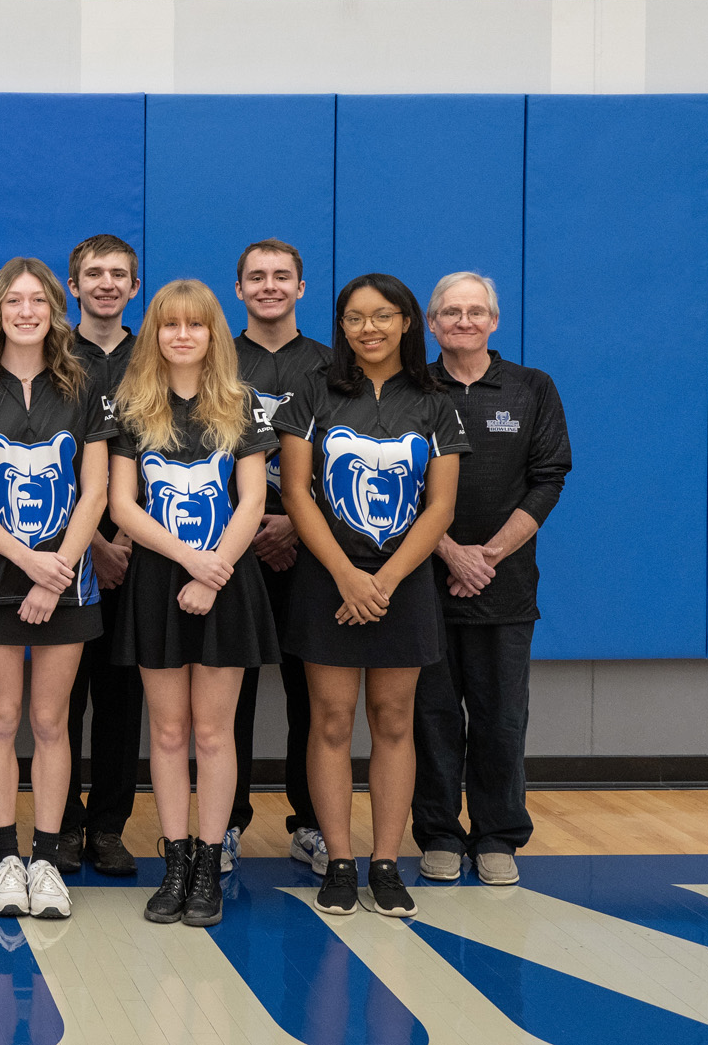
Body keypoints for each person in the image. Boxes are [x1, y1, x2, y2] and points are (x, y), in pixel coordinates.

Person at [274, 273, 468, 920]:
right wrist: (348, 576)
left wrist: (383, 580)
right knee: (329, 723)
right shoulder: (313, 392)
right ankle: (338, 859)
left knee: (393, 722)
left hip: (402, 587)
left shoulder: (435, 401)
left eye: (382, 316)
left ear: (407, 322)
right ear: (342, 326)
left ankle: (384, 862)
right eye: (355, 318)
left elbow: (440, 506)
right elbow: (297, 493)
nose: (369, 328)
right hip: (328, 583)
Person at [0, 259, 113, 921]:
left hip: (70, 582)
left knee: (51, 721)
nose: (27, 310)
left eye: (39, 300)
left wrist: (58, 567)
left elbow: (95, 490)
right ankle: (6, 858)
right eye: (15, 300)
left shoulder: (84, 388)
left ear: (55, 312)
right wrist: (24, 561)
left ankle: (45, 859)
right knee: (1, 719)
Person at [107, 280, 279, 927]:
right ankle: (174, 860)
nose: (183, 335)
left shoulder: (243, 405)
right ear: (155, 333)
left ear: (214, 334)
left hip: (227, 581)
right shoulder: (130, 407)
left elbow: (254, 501)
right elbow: (123, 505)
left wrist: (214, 573)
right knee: (170, 732)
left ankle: (210, 861)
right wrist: (188, 562)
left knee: (213, 732)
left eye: (196, 325)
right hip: (160, 580)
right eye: (171, 324)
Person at [416, 272, 570, 888]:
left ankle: (498, 834)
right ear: (431, 324)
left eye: (475, 311)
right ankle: (439, 833)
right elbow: (402, 484)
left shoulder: (532, 388)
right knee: (431, 717)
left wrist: (490, 556)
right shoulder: (413, 389)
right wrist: (451, 553)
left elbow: (550, 476)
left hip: (505, 590)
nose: (463, 321)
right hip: (422, 586)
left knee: (501, 716)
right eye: (450, 312)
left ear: (494, 321)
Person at [229, 239, 333, 876]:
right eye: (256, 277)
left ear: (302, 288)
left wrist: (295, 522)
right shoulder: (215, 361)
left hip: (309, 549)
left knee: (314, 692)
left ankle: (312, 822)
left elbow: (350, 456)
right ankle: (228, 822)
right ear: (238, 290)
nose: (269, 286)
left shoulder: (331, 366)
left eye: (282, 277)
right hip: (228, 550)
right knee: (228, 689)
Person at [60, 234, 145, 879]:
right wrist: (94, 542)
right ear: (74, 285)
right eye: (95, 274)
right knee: (61, 699)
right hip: (67, 551)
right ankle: (59, 825)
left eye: (119, 274)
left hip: (144, 551)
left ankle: (109, 826)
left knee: (122, 696)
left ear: (134, 287)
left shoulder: (157, 353)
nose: (107, 284)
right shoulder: (53, 356)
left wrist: (126, 541)